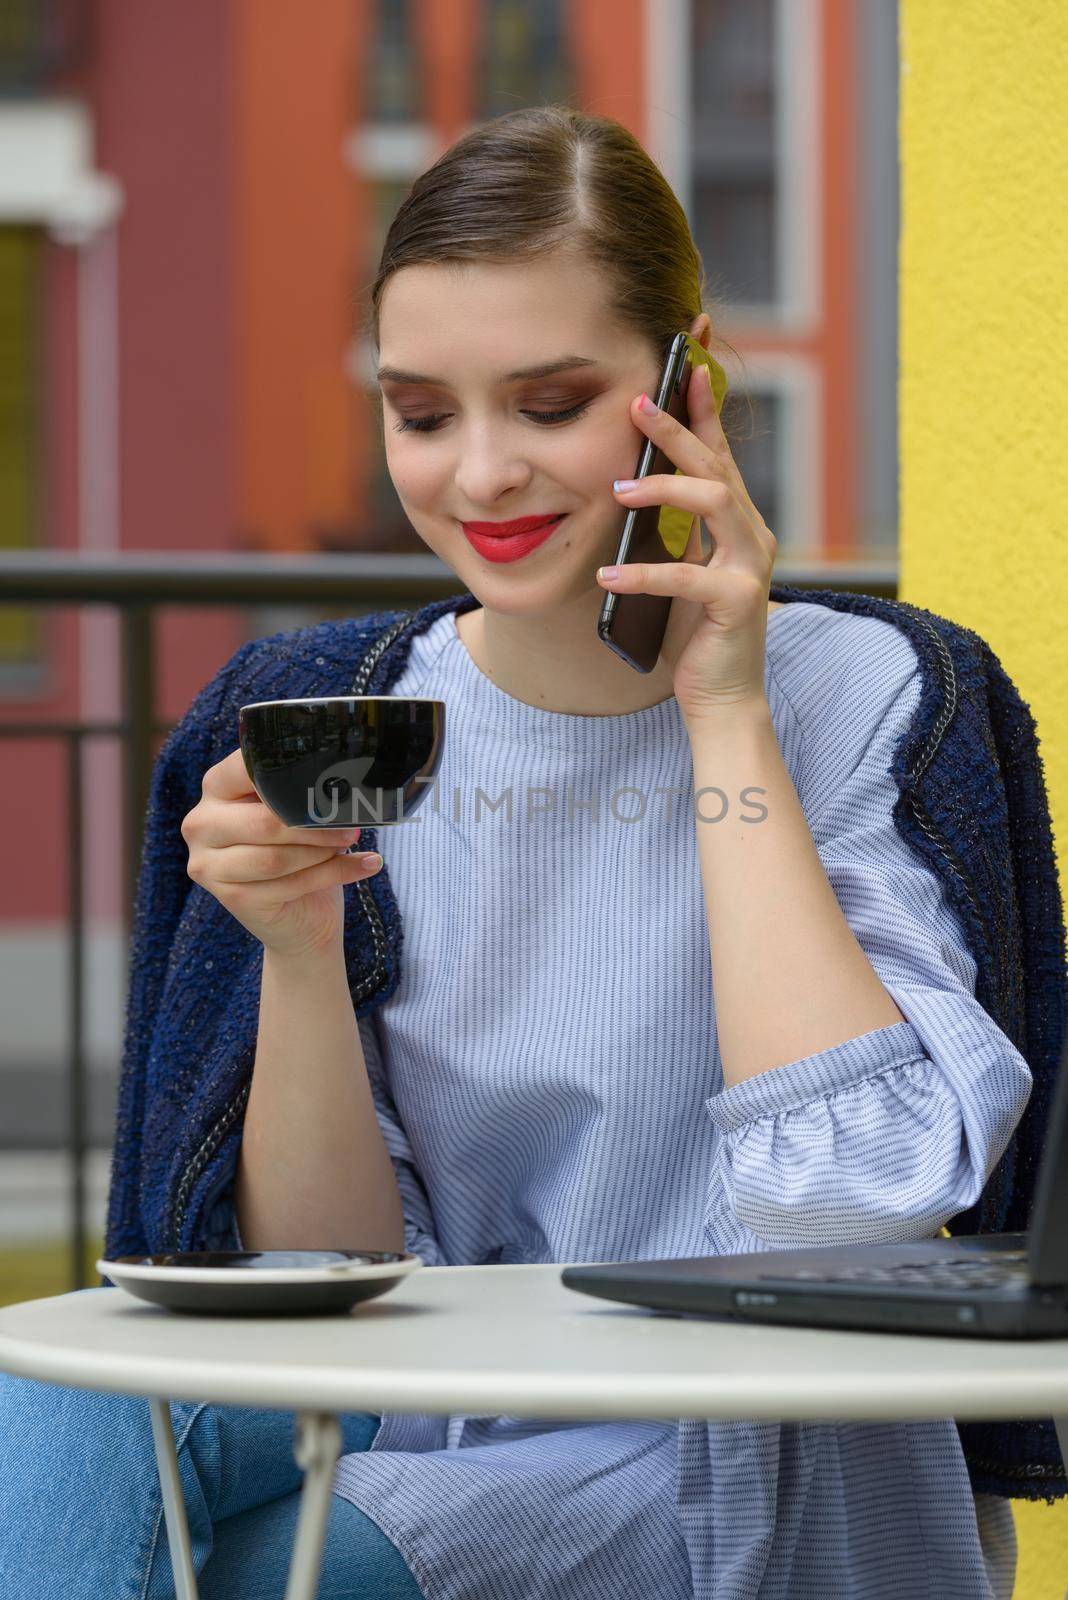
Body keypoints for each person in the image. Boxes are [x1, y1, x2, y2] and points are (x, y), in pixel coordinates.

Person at [0, 106, 1031, 1599]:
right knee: (54, 1410)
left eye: (548, 403)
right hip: (432, 1418)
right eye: (422, 415)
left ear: (687, 387)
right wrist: (295, 945)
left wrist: (725, 707)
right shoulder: (354, 716)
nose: (479, 476)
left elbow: (847, 1207)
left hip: (739, 1456)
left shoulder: (877, 697)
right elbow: (327, 1284)